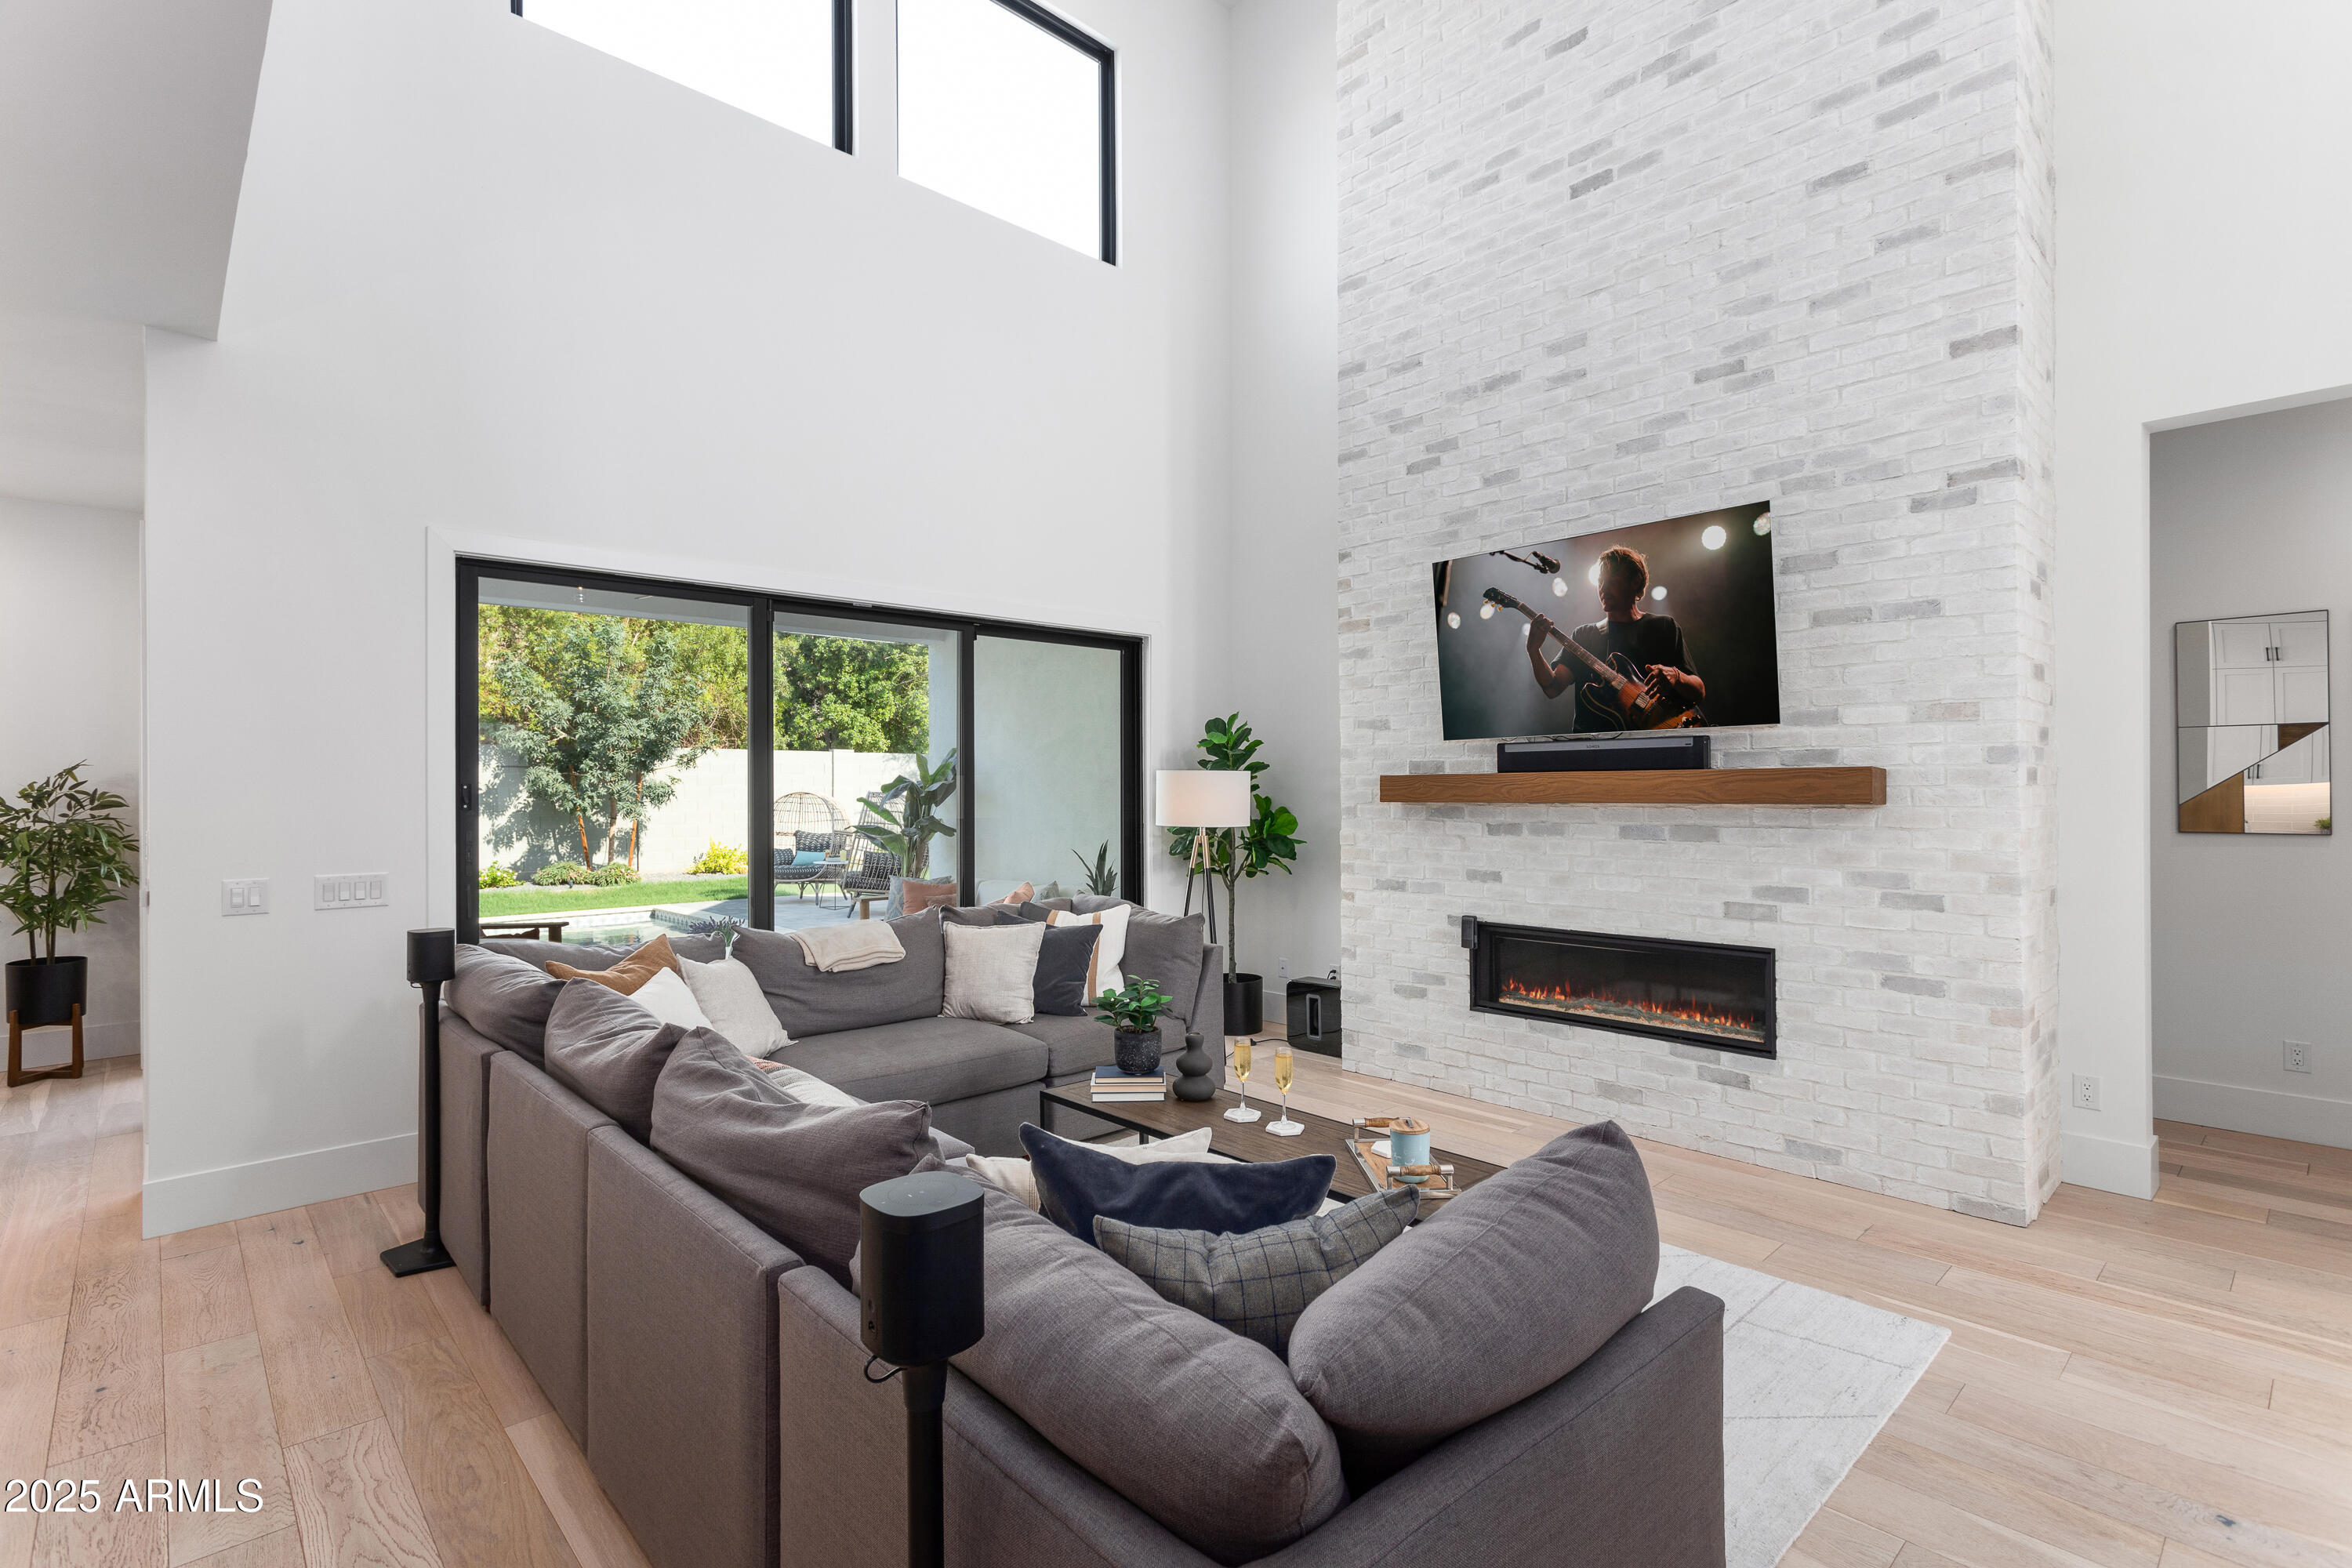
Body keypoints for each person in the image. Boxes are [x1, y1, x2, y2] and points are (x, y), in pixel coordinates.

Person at [1524, 546, 1705, 731]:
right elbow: (1552, 687)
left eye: (1611, 581)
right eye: (1600, 582)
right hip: (1594, 748)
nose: (1602, 588)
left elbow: (1698, 691)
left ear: (1635, 581)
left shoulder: (1664, 627)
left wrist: (1675, 676)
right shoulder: (1584, 636)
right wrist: (1534, 650)